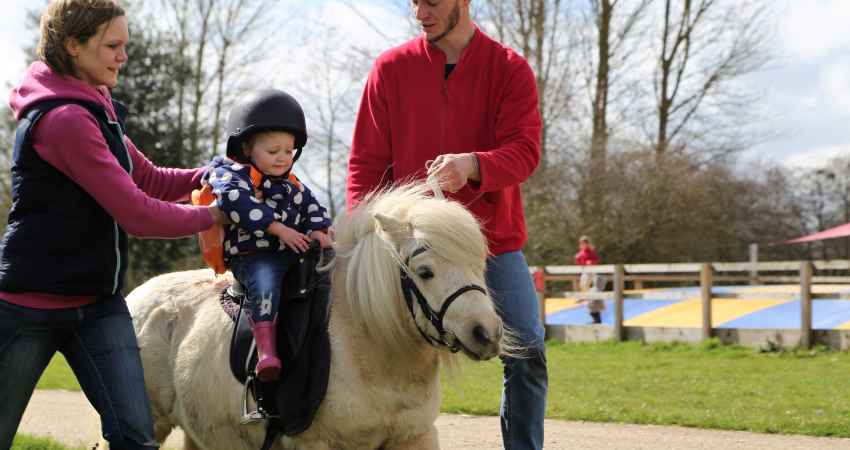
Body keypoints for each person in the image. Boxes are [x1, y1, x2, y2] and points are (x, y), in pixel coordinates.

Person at [0, 1, 229, 449]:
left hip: (98, 307)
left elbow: (149, 178)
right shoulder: (64, 121)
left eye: (125, 44)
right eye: (112, 45)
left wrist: (217, 175)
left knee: (134, 437)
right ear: (73, 46)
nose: (123, 55)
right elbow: (137, 213)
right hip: (30, 306)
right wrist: (215, 214)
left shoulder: (96, 106)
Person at [346, 1, 547, 448]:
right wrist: (364, 225)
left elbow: (525, 151)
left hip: (491, 245)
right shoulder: (389, 69)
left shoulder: (510, 69)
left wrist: (474, 164)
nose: (421, 13)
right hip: (409, 249)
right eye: (415, 2)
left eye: (432, 2)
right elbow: (365, 162)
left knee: (528, 347)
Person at [204, 88, 333, 383]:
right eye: (273, 152)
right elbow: (238, 203)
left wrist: (318, 229)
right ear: (247, 148)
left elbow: (311, 205)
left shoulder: (291, 183)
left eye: (288, 151)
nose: (282, 159)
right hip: (254, 254)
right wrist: (279, 229)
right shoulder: (231, 176)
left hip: (291, 252)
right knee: (265, 281)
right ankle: (266, 352)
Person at [575, 236, 605, 324]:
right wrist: (578, 259)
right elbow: (579, 263)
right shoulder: (581, 253)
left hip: (591, 272)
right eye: (581, 243)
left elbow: (595, 260)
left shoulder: (591, 252)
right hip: (585, 271)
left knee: (589, 286)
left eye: (584, 243)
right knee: (584, 285)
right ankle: (584, 296)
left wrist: (590, 262)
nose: (582, 245)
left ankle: (585, 296)